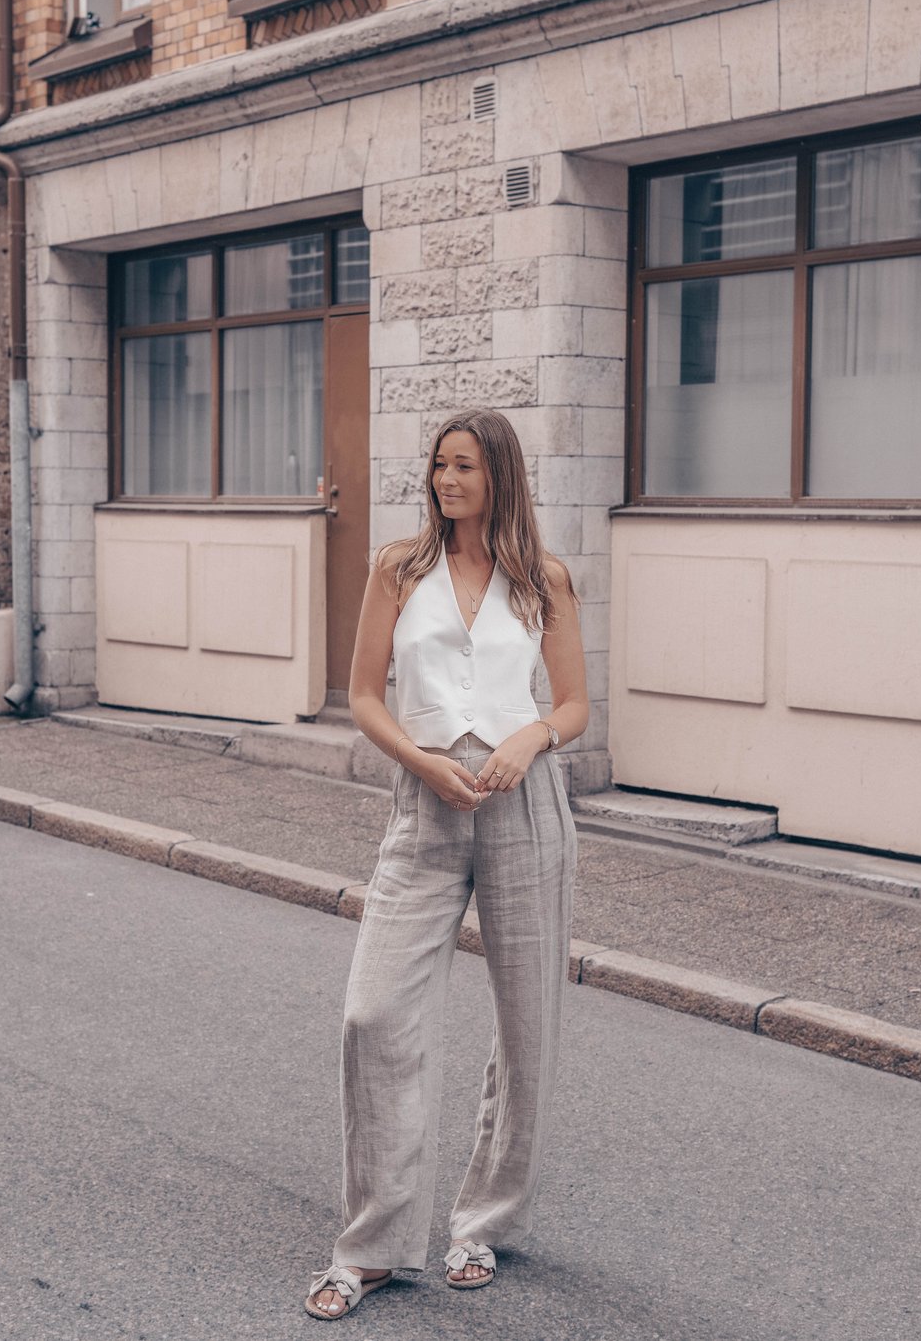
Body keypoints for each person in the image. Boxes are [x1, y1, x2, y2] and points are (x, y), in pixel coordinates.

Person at [305, 408, 589, 1321]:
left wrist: (530, 740)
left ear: (499, 474)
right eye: (439, 465)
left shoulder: (543, 577)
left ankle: (484, 1224)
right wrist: (421, 762)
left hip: (524, 807)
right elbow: (362, 695)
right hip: (425, 806)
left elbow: (575, 704)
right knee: (373, 1013)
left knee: (527, 1025)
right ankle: (373, 1247)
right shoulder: (399, 567)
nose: (446, 480)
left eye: (464, 466)